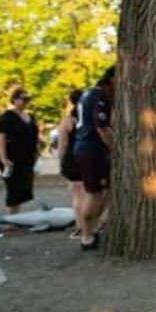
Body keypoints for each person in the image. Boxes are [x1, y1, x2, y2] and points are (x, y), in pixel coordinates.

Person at [73, 67, 116, 250]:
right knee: (94, 194)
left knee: (101, 191)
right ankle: (87, 236)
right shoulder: (100, 96)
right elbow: (102, 128)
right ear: (113, 79)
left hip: (86, 147)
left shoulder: (87, 93)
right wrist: (116, 149)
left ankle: (92, 229)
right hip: (91, 149)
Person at [0, 88, 39, 214]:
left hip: (27, 157)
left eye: (28, 99)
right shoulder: (7, 116)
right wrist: (4, 158)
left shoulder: (30, 116)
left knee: (23, 187)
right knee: (13, 187)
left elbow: (34, 136)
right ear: (15, 100)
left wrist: (36, 152)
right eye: (23, 99)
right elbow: (1, 137)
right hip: (11, 156)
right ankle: (11, 216)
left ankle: (16, 215)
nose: (26, 102)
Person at [57, 90, 86, 237]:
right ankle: (93, 225)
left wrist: (60, 162)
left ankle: (80, 226)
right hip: (88, 157)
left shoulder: (67, 121)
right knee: (92, 195)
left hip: (72, 159)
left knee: (77, 196)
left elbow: (62, 144)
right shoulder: (88, 118)